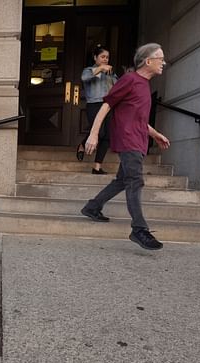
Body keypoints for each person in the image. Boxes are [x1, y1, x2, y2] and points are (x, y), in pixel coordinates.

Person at [80, 43, 171, 251]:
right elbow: (107, 104)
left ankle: (92, 207)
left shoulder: (144, 86)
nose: (163, 63)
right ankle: (139, 229)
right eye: (160, 58)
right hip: (128, 139)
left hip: (139, 139)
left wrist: (156, 135)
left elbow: (139, 119)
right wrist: (93, 134)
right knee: (135, 180)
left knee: (123, 180)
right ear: (148, 61)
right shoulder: (130, 80)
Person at [76, 45, 117, 175]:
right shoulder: (89, 70)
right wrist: (100, 69)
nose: (105, 59)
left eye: (107, 57)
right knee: (99, 132)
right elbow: (84, 78)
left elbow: (119, 87)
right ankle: (82, 145)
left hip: (109, 106)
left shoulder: (111, 73)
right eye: (102, 57)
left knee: (108, 136)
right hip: (94, 104)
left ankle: (97, 166)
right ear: (95, 58)